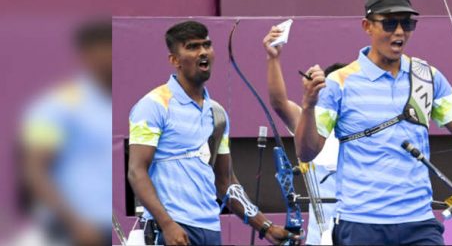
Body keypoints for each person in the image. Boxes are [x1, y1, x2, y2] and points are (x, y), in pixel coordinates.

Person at [295, 0, 452, 246]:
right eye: (389, 23)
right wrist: (308, 106)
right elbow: (307, 153)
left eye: (407, 23)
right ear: (367, 26)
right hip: (360, 224)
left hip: (419, 224)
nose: (399, 32)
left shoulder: (426, 77)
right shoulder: (339, 82)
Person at [127, 20, 298, 245]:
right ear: (174, 60)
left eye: (207, 45)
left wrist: (265, 227)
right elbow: (136, 172)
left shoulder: (217, 114)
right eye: (192, 47)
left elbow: (225, 182)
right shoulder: (153, 105)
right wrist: (167, 224)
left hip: (209, 229)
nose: (203, 52)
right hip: (170, 229)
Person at [20, 20, 113, 245]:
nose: (109, 58)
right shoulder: (57, 104)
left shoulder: (118, 105)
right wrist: (75, 223)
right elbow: (35, 169)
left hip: (107, 228)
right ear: (87, 55)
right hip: (72, 230)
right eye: (103, 52)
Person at [263, 24, 344, 245]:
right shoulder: (311, 125)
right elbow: (279, 103)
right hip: (321, 239)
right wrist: (273, 59)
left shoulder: (365, 129)